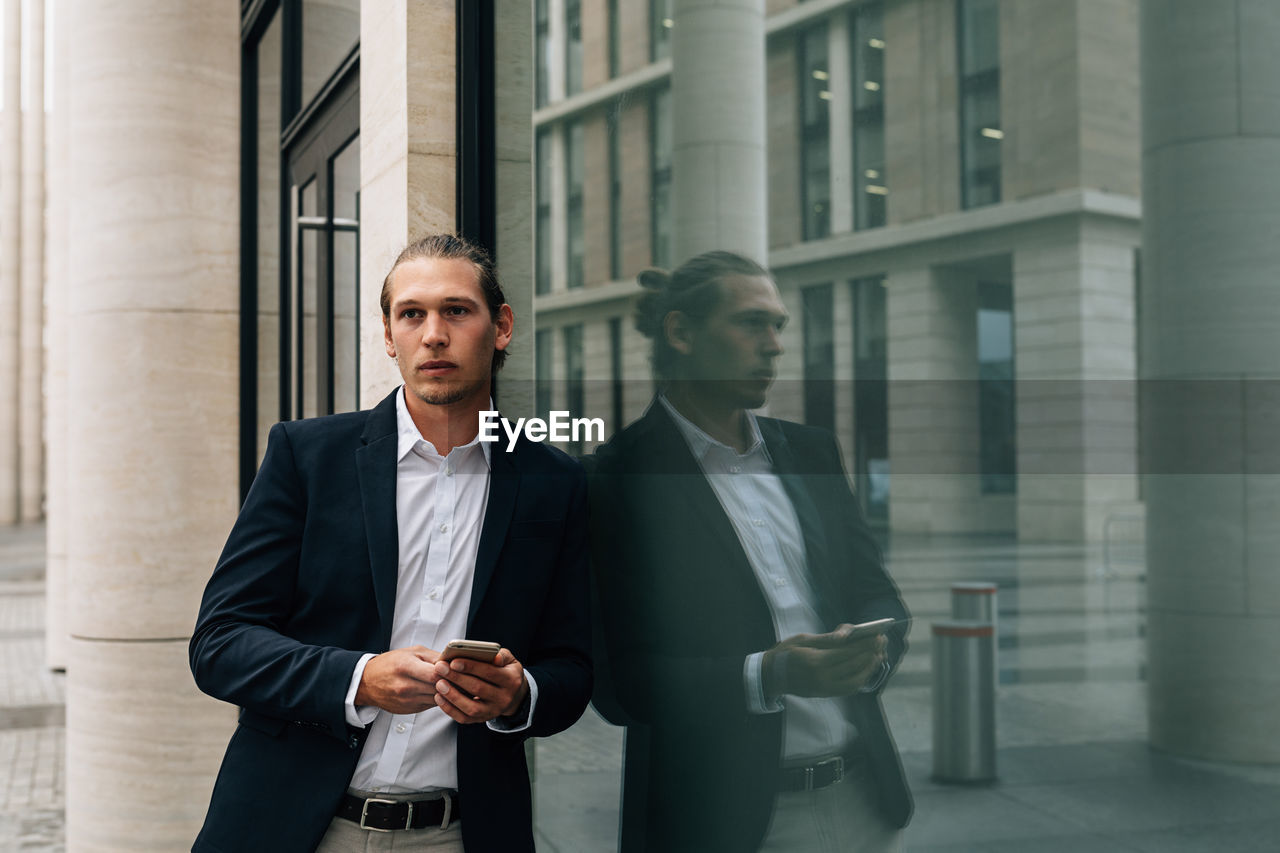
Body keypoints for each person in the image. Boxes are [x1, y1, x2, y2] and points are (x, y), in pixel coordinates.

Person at [190, 233, 593, 853]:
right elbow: (220, 644)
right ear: (388, 336)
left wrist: (521, 694)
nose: (434, 334)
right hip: (294, 827)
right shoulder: (307, 457)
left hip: (463, 833)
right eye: (412, 314)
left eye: (456, 311)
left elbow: (575, 666)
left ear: (502, 326)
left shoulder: (554, 482)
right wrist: (358, 679)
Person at [588, 251, 912, 852]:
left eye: (778, 326)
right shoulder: (613, 479)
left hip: (863, 800)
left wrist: (873, 650)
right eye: (751, 323)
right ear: (681, 331)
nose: (774, 345)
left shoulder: (811, 452)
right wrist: (769, 674)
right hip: (720, 824)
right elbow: (619, 683)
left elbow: (877, 592)